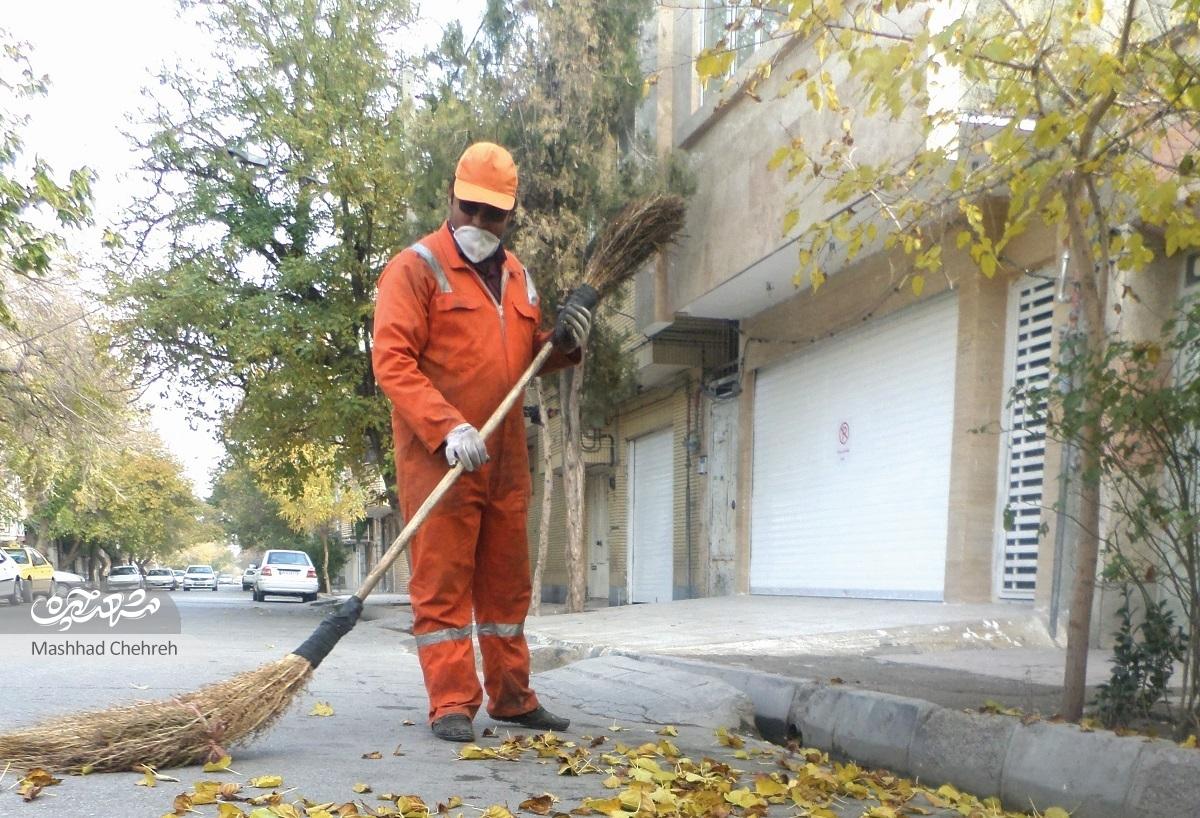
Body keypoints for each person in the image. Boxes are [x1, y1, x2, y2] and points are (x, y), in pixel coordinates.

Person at [372, 142, 593, 742]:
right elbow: (391, 362)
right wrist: (447, 428)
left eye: (491, 214)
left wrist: (564, 344)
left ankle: (513, 697)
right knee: (442, 582)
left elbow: (520, 360)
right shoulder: (415, 268)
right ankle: (451, 702)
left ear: (509, 214)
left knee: (505, 582)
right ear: (452, 197)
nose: (478, 223)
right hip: (438, 456)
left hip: (503, 457)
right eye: (469, 208)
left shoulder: (520, 278)